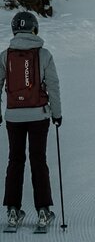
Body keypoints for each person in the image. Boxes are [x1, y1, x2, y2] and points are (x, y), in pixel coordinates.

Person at [2, 12, 62, 230]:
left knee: (15, 160)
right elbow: (53, 86)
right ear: (35, 29)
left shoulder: (5, 55)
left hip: (13, 116)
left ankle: (12, 211)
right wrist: (57, 113)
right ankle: (44, 211)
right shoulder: (44, 54)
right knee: (38, 160)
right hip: (38, 115)